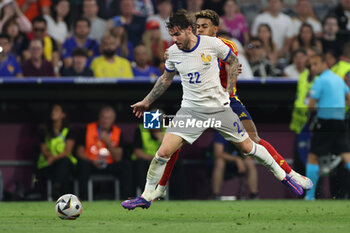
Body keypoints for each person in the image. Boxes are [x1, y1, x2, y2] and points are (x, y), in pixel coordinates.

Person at [122, 9, 304, 210]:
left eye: (177, 34)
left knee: (249, 147)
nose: (174, 39)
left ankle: (284, 176)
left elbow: (234, 61)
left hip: (219, 108)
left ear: (188, 30)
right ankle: (147, 195)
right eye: (171, 35)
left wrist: (228, 90)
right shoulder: (173, 52)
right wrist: (146, 101)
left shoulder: (213, 44)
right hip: (190, 111)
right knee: (163, 152)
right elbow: (166, 78)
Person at [305, 54, 350, 200]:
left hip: (325, 123)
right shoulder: (338, 79)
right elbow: (349, 98)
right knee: (346, 157)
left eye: (315, 64)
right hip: (340, 122)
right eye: (311, 65)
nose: (313, 67)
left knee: (312, 158)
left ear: (324, 64)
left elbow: (311, 106)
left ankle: (310, 196)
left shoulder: (320, 80)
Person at [76, 106, 133, 200]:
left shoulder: (118, 132)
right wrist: (92, 161)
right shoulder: (88, 129)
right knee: (82, 165)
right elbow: (79, 152)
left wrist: (108, 142)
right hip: (92, 163)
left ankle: (126, 200)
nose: (105, 120)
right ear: (99, 118)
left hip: (109, 164)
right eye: (103, 117)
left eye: (108, 118)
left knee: (127, 165)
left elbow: (118, 158)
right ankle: (83, 200)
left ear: (113, 120)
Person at [36, 103, 77, 200]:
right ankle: (59, 193)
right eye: (52, 110)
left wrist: (53, 158)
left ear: (63, 114)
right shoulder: (44, 131)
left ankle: (56, 189)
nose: (53, 112)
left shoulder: (69, 131)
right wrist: (49, 157)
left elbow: (67, 151)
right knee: (60, 170)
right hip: (48, 164)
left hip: (63, 162)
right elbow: (44, 149)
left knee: (64, 164)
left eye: (56, 110)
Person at [212, 131, 258, 199]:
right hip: (224, 163)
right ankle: (215, 195)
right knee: (220, 162)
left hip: (240, 164)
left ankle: (254, 195)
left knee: (249, 162)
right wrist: (236, 159)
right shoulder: (221, 131)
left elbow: (249, 154)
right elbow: (218, 153)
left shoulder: (243, 132)